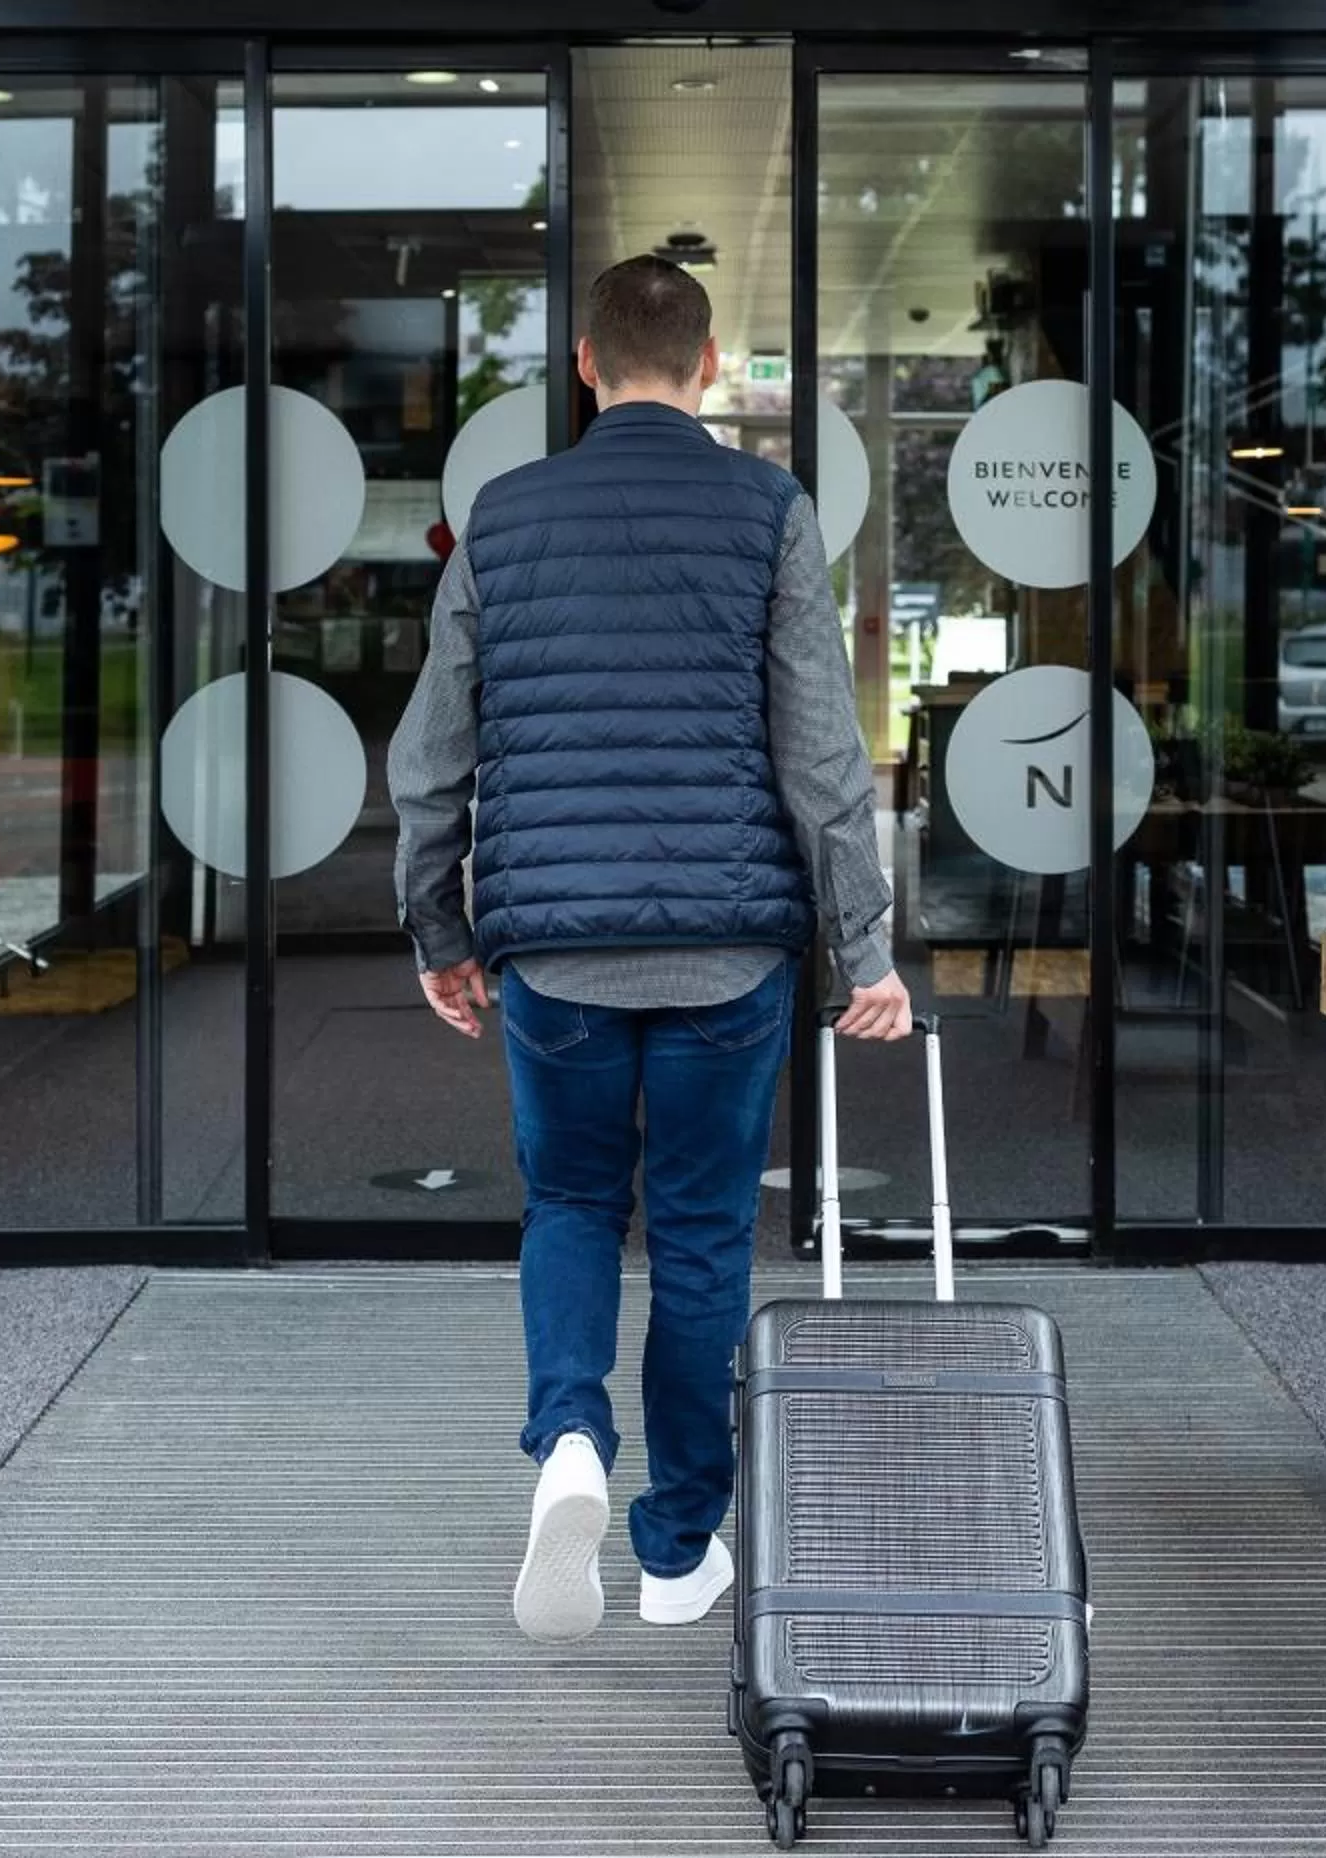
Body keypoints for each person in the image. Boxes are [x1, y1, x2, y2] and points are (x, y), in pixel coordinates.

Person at [390, 255, 907, 1643]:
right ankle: (679, 1549)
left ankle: (567, 1438)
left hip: (553, 955)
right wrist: (867, 948)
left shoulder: (503, 516)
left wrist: (441, 926)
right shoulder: (767, 510)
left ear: (581, 360)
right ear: (712, 362)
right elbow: (820, 752)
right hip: (727, 956)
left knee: (567, 1204)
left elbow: (431, 756)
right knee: (697, 1240)